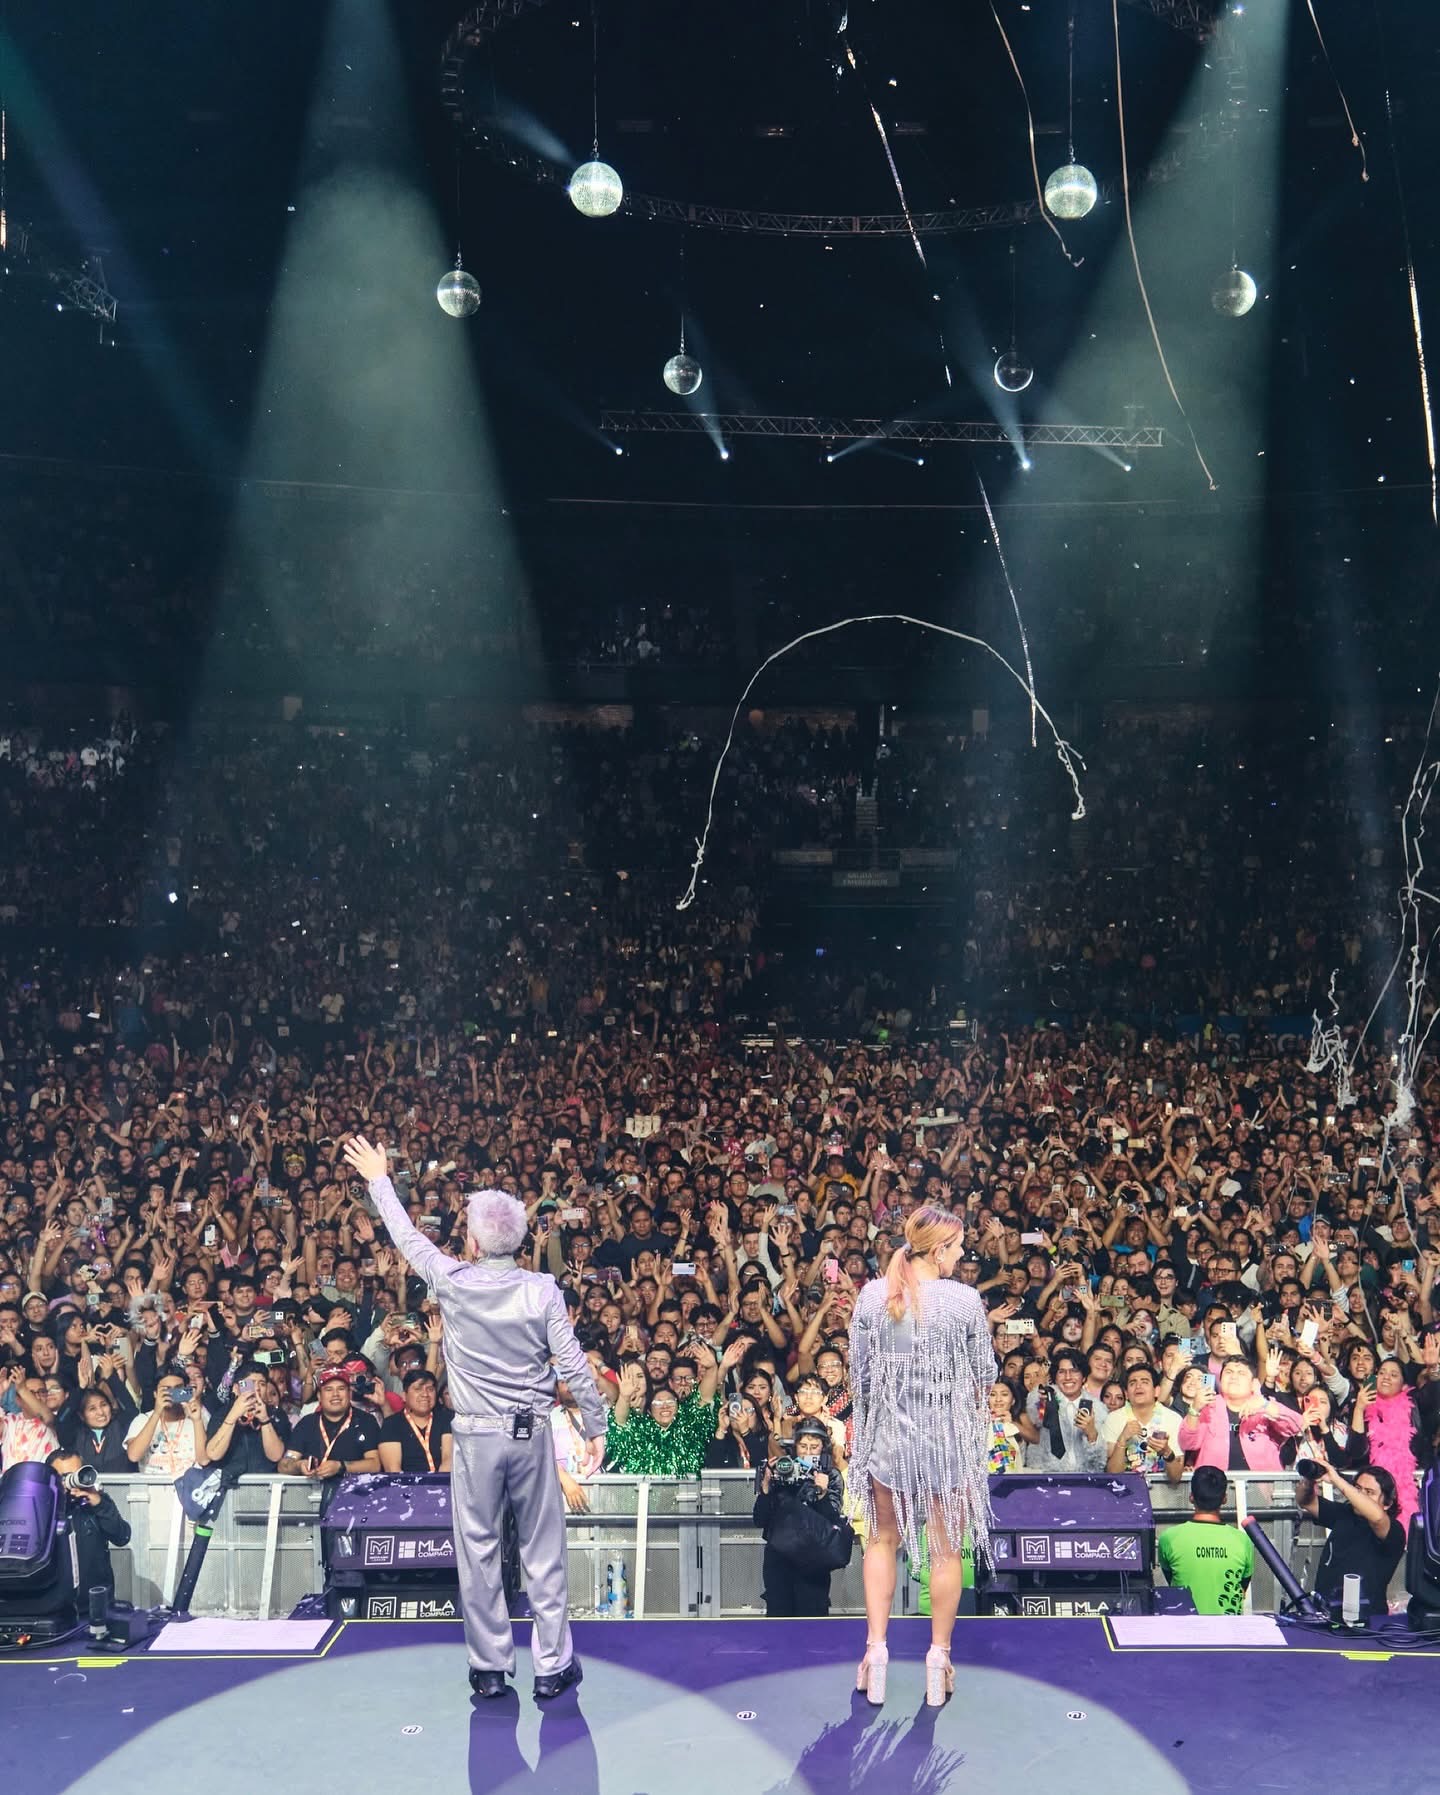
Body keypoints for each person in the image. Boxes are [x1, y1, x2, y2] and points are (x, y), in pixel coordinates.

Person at [344, 1134, 607, 1703]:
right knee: (542, 1552)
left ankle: (490, 1668)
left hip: (475, 1437)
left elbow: (407, 1238)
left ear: (472, 1237)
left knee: (480, 1550)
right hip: (530, 1432)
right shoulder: (542, 1290)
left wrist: (379, 1180)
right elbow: (574, 1365)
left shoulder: (453, 1282)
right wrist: (595, 1425)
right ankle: (553, 1666)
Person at [848, 1204, 994, 1709]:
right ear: (937, 1249)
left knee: (882, 1541)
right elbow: (986, 1374)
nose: (961, 1255)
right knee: (946, 1550)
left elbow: (859, 1377)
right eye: (957, 1248)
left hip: (890, 1441)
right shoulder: (964, 1301)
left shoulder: (872, 1296)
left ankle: (876, 1652)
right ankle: (939, 1656)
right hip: (947, 1444)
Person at [751, 1418, 848, 1617]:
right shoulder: (782, 1470)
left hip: (813, 1559)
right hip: (779, 1558)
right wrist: (767, 1489)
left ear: (823, 1448)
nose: (808, 1452)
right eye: (803, 1446)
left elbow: (831, 1524)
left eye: (814, 1447)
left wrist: (821, 1493)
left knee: (812, 1620)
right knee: (778, 1618)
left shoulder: (832, 1476)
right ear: (795, 1447)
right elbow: (760, 1519)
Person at [1297, 1450, 1406, 1618]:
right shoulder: (1346, 1513)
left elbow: (1377, 1518)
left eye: (1369, 1492)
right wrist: (1310, 1477)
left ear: (1387, 1504)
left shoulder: (1394, 1529)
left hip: (1367, 1618)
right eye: (1358, 1488)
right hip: (1326, 1611)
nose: (1360, 1495)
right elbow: (1306, 1501)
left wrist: (1336, 1480)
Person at [1177, 1357, 1303, 1472]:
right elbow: (1187, 1443)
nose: (1233, 1377)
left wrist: (1265, 1405)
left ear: (1253, 1383)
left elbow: (1296, 1425)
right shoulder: (1207, 1407)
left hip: (1261, 1487)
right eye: (1228, 1372)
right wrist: (1194, 1409)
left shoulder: (1263, 1404)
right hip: (1216, 1486)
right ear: (1220, 1381)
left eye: (1241, 1373)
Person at [1156, 1466, 1253, 1614]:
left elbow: (1172, 1580)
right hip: (1230, 1632)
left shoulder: (1169, 1538)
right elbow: (1242, 1586)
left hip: (1184, 1631)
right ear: (1225, 1498)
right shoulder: (1242, 1540)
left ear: (1191, 1497)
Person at [44, 1449, 133, 1602]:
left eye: (76, 1474)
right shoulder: (43, 1506)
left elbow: (122, 1536)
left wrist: (99, 1504)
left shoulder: (97, 1502)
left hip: (96, 1603)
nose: (71, 1481)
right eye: (64, 1476)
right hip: (55, 1604)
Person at [124, 1371, 209, 1477]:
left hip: (189, 1488)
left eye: (178, 1388)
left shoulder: (199, 1418)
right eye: (166, 1389)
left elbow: (204, 1460)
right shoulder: (142, 1420)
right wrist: (156, 1413)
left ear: (186, 1389)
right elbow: (133, 1456)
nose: (172, 1393)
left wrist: (197, 1421)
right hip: (153, 1488)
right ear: (155, 1394)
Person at [378, 1369, 453, 1474]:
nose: (425, 1394)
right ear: (404, 1396)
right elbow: (393, 1469)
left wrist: (437, 1487)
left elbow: (448, 1460)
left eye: (430, 1389)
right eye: (418, 1389)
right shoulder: (392, 1424)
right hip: (406, 1487)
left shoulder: (447, 1419)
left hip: (442, 1484)